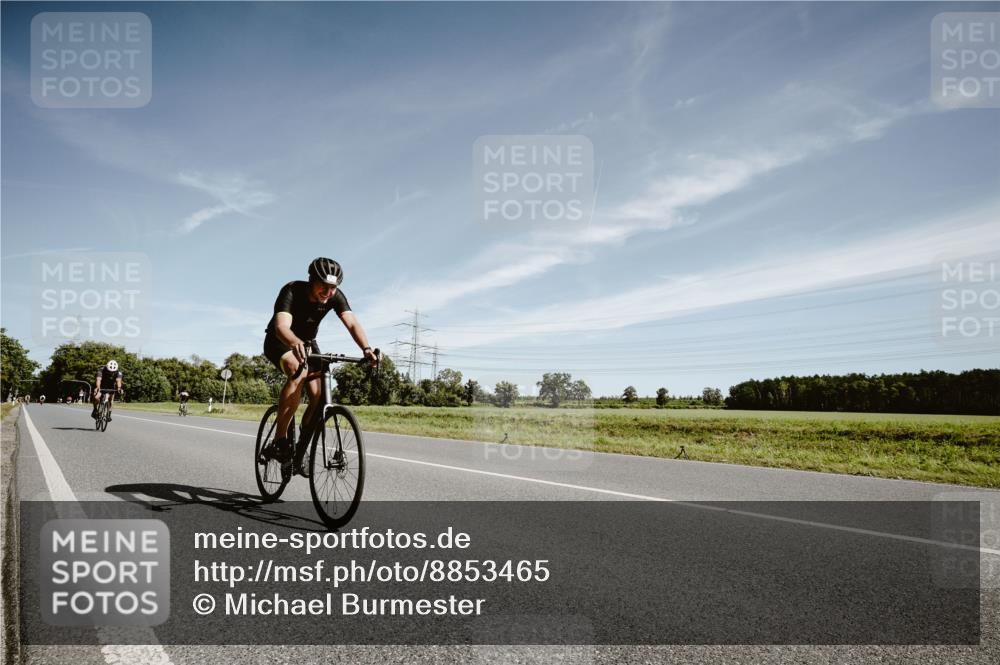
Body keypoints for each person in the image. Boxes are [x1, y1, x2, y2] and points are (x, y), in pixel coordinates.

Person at [261, 257, 377, 471]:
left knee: (319, 395)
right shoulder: (292, 290)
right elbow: (281, 327)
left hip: (308, 343)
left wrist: (366, 349)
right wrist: (294, 342)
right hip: (280, 340)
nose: (328, 292)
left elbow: (352, 323)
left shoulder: (335, 296)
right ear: (311, 280)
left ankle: (302, 447)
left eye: (333, 287)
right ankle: (280, 442)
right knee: (298, 369)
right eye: (323, 285)